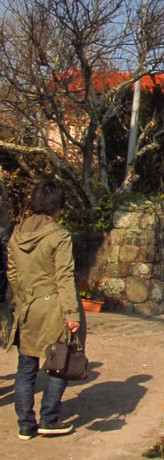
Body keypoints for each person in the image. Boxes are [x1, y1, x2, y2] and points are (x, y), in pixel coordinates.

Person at [7, 179, 83, 439]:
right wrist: (72, 314)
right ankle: (49, 419)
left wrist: (21, 299)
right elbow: (64, 276)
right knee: (58, 363)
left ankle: (26, 425)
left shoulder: (16, 233)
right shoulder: (59, 236)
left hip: (27, 306)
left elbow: (13, 273)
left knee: (26, 366)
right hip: (53, 307)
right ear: (58, 207)